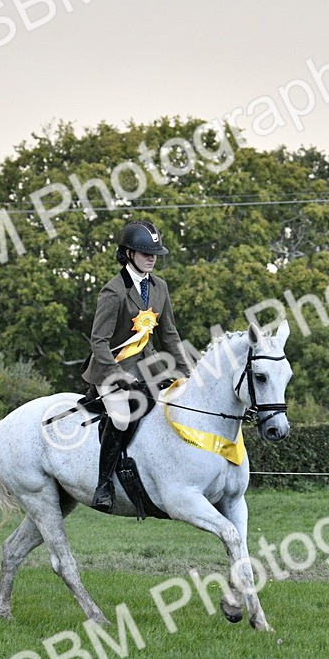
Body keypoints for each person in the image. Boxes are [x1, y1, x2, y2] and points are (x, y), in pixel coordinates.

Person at [82, 219, 192, 510]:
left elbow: (169, 334)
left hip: (149, 367)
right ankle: (103, 484)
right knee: (122, 414)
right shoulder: (113, 291)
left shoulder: (159, 287)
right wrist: (117, 375)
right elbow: (98, 342)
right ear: (129, 253)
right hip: (110, 368)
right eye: (145, 253)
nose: (152, 258)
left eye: (154, 253)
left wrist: (186, 371)